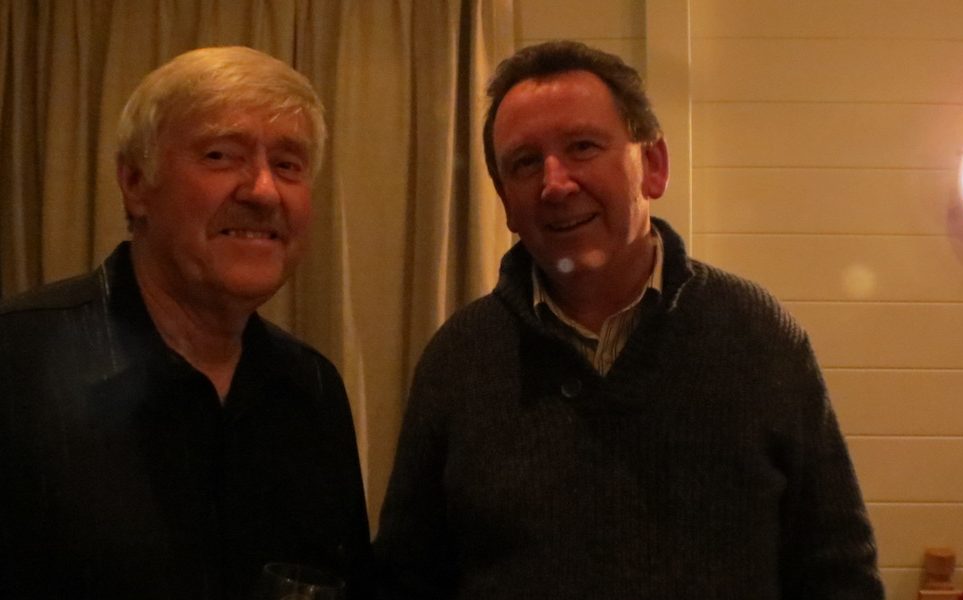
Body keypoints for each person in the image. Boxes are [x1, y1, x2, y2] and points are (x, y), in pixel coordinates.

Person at [374, 40, 884, 599]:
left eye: (582, 147)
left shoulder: (758, 338)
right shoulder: (458, 361)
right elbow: (405, 580)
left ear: (653, 167)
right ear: (505, 200)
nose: (555, 184)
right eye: (525, 162)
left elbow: (838, 573)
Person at [0, 47, 371, 599]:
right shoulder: (16, 363)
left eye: (288, 165)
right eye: (221, 156)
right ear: (135, 183)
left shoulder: (313, 391)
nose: (262, 190)